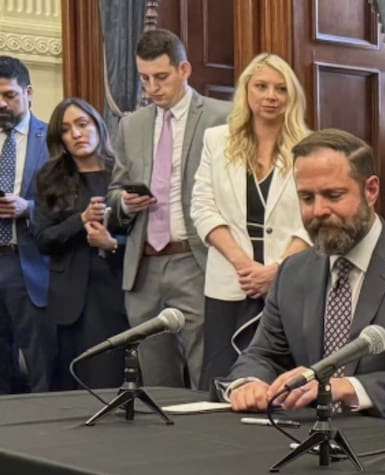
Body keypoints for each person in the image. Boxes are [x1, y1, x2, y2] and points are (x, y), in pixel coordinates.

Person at [224, 129, 385, 421]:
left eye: (333, 195)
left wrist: (344, 388)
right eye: (306, 197)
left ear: (371, 190)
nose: (318, 211)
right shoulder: (292, 271)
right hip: (303, 436)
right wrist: (250, 382)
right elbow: (262, 354)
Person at [108, 29, 232, 389]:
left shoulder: (221, 117)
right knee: (155, 377)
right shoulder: (131, 125)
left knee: (205, 368)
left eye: (161, 77)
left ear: (184, 69)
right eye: (144, 79)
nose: (152, 88)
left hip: (196, 260)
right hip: (143, 267)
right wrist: (125, 203)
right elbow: (115, 189)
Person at [190, 53, 311, 390]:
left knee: (280, 380)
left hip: (288, 280)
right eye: (261, 86)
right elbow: (202, 207)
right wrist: (245, 266)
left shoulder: (310, 147)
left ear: (292, 97)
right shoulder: (217, 140)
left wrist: (276, 271)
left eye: (280, 88)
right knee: (221, 374)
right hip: (231, 280)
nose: (271, 96)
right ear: (246, 92)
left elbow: (312, 220)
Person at [32, 98, 129, 389]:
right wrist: (80, 220)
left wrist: (111, 243)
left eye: (82, 124)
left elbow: (144, 237)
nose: (76, 134)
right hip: (71, 299)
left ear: (98, 126)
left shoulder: (121, 173)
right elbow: (43, 239)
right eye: (66, 129)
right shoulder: (50, 178)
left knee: (114, 378)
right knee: (75, 385)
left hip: (118, 292)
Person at [0, 56, 53, 393]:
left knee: (40, 361)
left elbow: (67, 204)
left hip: (28, 261)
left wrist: (28, 208)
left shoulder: (53, 139)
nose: (1, 104)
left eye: (9, 95)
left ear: (29, 92)